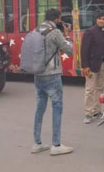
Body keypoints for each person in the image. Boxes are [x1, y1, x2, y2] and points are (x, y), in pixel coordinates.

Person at [31, 9, 74, 155]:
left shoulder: (36, 30)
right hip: (52, 74)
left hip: (38, 74)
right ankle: (56, 144)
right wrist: (67, 36)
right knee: (57, 107)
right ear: (57, 19)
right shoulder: (55, 32)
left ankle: (37, 143)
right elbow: (69, 50)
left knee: (40, 108)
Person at [81, 12, 104, 124]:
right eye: (100, 18)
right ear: (96, 20)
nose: (102, 21)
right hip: (91, 65)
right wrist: (85, 66)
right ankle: (88, 113)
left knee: (100, 88)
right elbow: (84, 50)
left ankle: (97, 111)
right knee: (90, 89)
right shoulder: (90, 32)